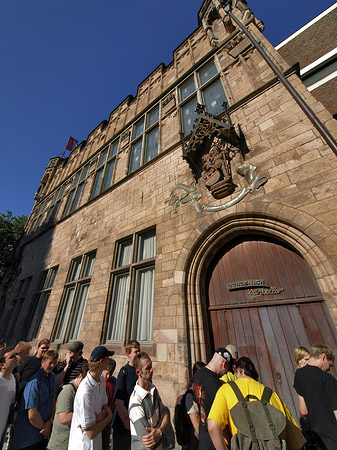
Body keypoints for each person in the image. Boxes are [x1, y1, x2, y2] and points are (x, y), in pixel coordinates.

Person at [208, 356, 305, 450]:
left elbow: (212, 427)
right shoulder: (271, 394)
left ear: (237, 371)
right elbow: (295, 441)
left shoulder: (226, 390)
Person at [67, 346, 114, 450]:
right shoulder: (85, 391)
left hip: (96, 444)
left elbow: (105, 407)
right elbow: (90, 433)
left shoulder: (101, 381)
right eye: (108, 358)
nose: (109, 361)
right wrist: (108, 418)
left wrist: (98, 417)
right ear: (102, 361)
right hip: (82, 445)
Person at [12, 349, 58, 450]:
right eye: (50, 363)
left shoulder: (52, 378)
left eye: (54, 363)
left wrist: (50, 421)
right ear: (43, 362)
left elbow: (53, 400)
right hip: (27, 438)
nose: (52, 366)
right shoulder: (35, 382)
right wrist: (44, 428)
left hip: (41, 436)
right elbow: (32, 414)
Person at [293, 343, 337, 450]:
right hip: (333, 438)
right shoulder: (328, 379)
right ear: (323, 357)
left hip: (316, 439)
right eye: (330, 365)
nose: (329, 370)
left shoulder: (299, 375)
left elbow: (303, 412)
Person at [193, 348, 232, 450]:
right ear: (224, 364)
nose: (225, 373)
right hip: (214, 442)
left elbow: (195, 404)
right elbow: (219, 419)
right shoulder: (216, 385)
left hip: (203, 438)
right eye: (227, 370)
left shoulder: (198, 374)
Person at [129, 352, 169, 450]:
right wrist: (161, 429)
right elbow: (149, 441)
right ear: (138, 372)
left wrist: (159, 431)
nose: (152, 370)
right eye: (147, 368)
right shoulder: (136, 402)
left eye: (151, 366)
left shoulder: (153, 389)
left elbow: (165, 414)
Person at [47, 363, 89, 450]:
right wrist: (88, 416)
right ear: (80, 376)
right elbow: (63, 418)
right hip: (61, 445)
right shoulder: (68, 391)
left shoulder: (79, 391)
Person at [112, 340, 140, 450]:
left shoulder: (139, 372)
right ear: (128, 354)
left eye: (139, 351)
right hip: (123, 423)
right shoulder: (124, 372)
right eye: (135, 352)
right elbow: (119, 402)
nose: (138, 354)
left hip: (135, 422)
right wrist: (126, 420)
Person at [0, 347, 18, 446]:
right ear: (2, 365)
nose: (16, 357)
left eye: (16, 355)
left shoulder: (13, 380)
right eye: (12, 357)